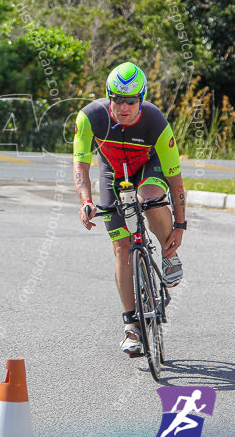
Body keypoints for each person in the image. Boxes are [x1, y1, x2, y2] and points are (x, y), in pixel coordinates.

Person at [73, 61, 188, 357]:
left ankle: (167, 253)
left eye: (131, 101)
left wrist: (180, 225)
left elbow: (175, 180)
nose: (124, 107)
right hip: (113, 173)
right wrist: (86, 200)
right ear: (108, 97)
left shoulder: (156, 122)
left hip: (149, 168)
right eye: (118, 100)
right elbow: (81, 167)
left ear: (142, 98)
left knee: (148, 196)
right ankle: (131, 326)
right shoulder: (90, 118)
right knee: (122, 248)